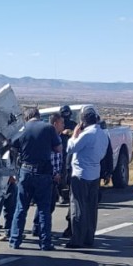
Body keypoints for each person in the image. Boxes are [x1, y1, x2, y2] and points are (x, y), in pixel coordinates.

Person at [9, 106, 62, 250]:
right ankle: (45, 243)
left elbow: (12, 150)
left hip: (25, 171)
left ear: (27, 117)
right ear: (38, 115)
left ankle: (15, 240)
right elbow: (58, 149)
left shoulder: (22, 128)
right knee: (44, 208)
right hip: (43, 173)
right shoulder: (48, 128)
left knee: (21, 207)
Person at [64, 106, 109, 248]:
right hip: (94, 173)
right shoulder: (102, 134)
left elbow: (71, 148)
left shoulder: (87, 134)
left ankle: (77, 239)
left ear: (82, 121)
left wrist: (74, 135)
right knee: (91, 208)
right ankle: (89, 237)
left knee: (78, 207)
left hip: (81, 174)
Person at [32, 112, 64, 236]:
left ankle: (40, 227)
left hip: (53, 175)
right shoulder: (49, 137)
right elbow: (49, 158)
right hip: (48, 174)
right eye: (61, 123)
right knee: (45, 204)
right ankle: (39, 228)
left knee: (50, 204)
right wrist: (54, 173)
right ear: (55, 123)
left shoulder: (58, 136)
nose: (63, 125)